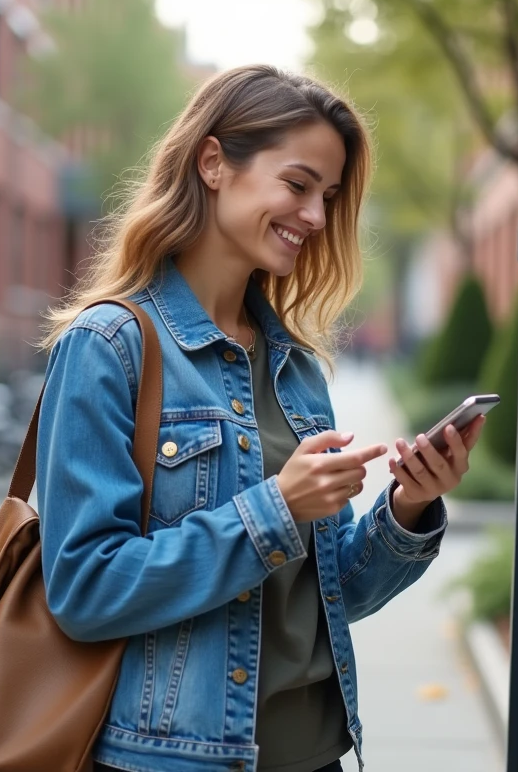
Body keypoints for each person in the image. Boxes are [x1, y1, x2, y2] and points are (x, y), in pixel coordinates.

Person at [35, 65, 486, 772]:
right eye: (298, 185)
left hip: (319, 755)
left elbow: (334, 593)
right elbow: (85, 588)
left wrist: (409, 504)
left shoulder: (295, 369)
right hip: (177, 759)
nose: (316, 216)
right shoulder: (108, 347)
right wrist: (277, 507)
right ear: (213, 164)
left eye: (329, 197)